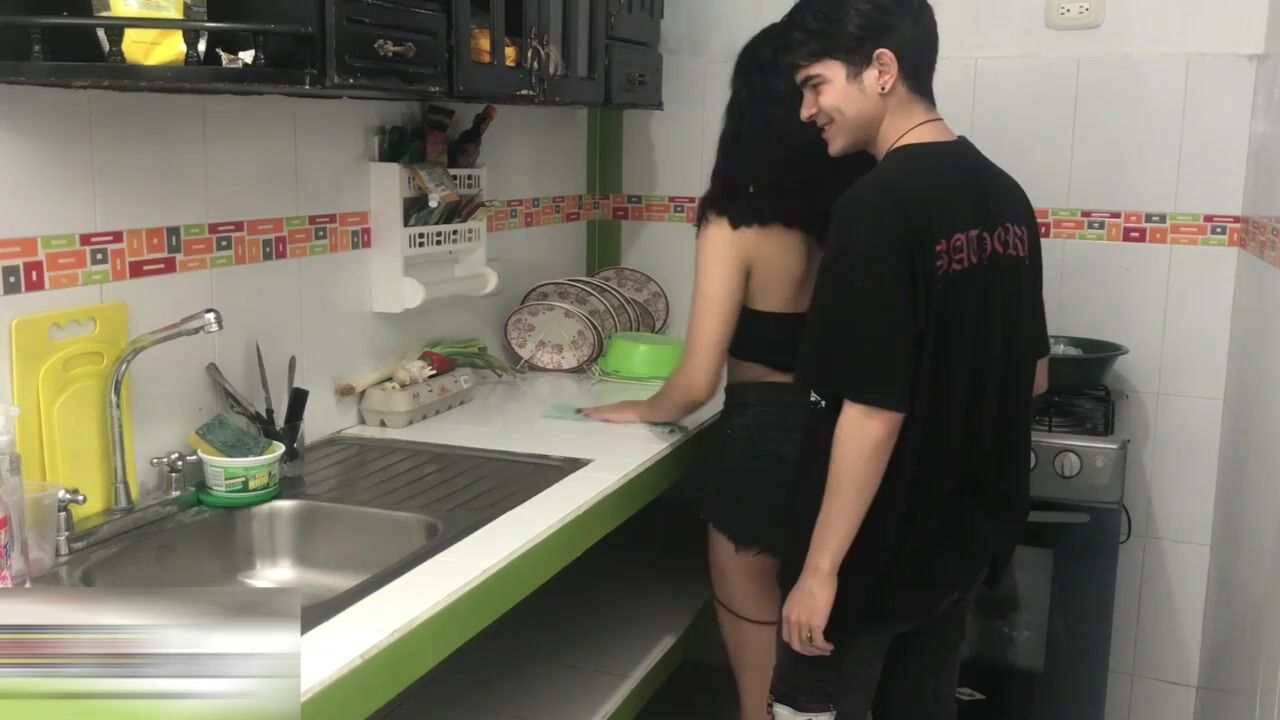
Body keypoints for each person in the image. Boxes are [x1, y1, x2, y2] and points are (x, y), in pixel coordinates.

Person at [578, 21, 874, 720]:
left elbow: (695, 383)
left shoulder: (734, 224)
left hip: (762, 443)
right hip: (848, 443)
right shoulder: (866, 208)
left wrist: (640, 408)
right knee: (826, 662)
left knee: (758, 680)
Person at [765, 1, 1051, 718]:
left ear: (882, 70)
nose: (806, 110)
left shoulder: (876, 207)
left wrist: (819, 571)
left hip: (868, 562)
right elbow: (1033, 374)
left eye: (815, 84)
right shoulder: (1005, 195)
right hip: (955, 555)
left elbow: (872, 411)